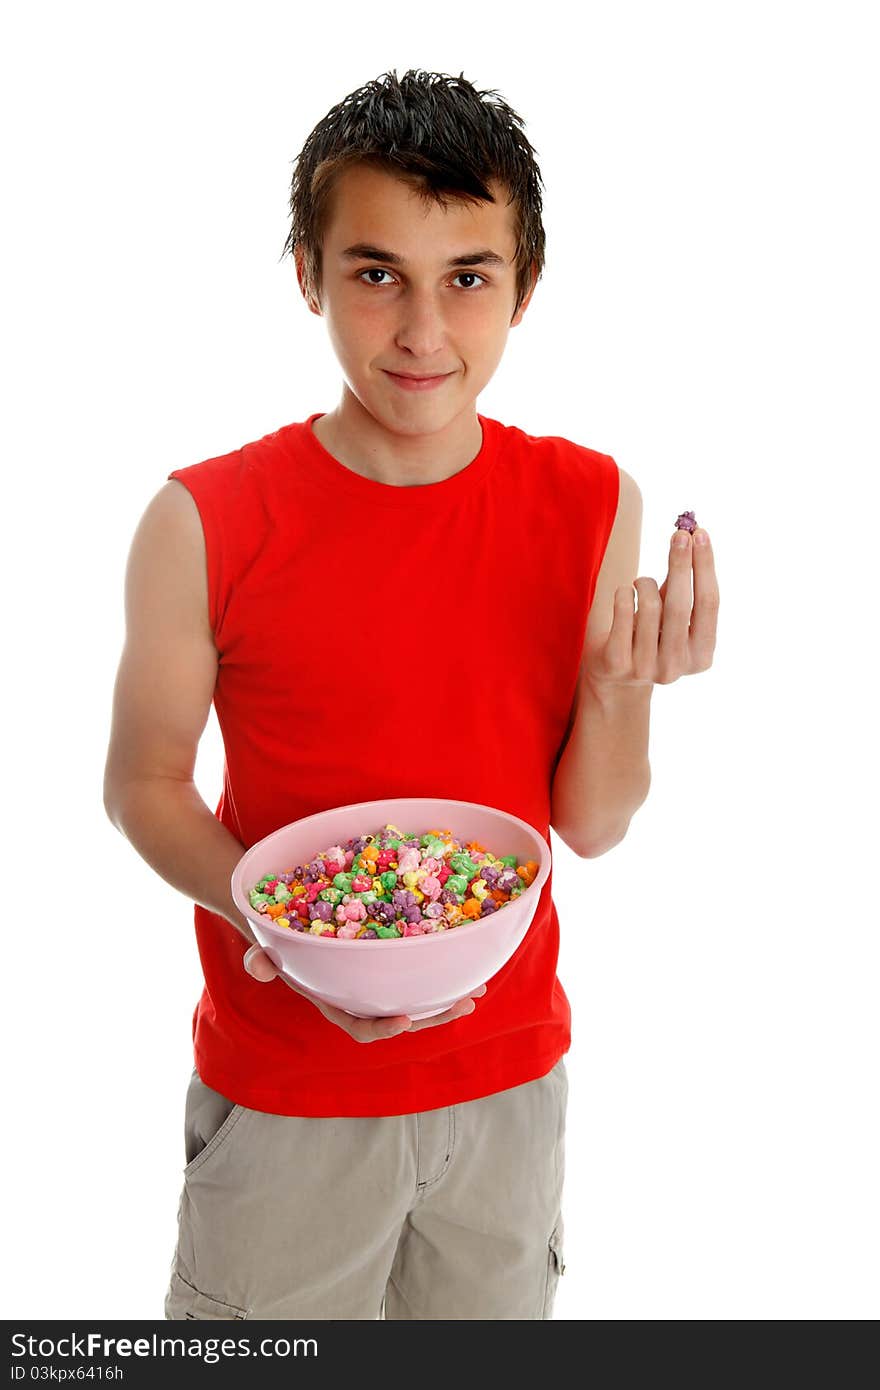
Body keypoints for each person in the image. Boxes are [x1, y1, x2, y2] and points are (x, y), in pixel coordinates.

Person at [102, 67, 718, 1321]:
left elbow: (589, 826)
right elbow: (143, 784)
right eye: (377, 273)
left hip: (505, 1085)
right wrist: (272, 919)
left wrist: (619, 685)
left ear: (524, 288)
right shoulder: (204, 518)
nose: (423, 333)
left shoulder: (591, 501)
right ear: (308, 274)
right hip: (287, 1096)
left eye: (468, 278)